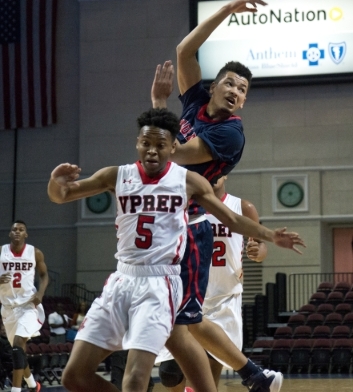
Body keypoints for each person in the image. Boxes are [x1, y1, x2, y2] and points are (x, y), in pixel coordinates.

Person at [47, 108, 304, 392]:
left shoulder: (188, 181)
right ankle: (255, 378)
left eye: (160, 145)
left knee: (136, 379)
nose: (152, 151)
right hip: (121, 280)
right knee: (74, 376)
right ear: (137, 143)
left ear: (172, 147)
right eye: (146, 143)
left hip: (160, 282)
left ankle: (251, 375)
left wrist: (270, 235)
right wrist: (55, 184)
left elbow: (230, 219)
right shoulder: (116, 176)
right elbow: (64, 195)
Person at [150, 0, 292, 392]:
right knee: (173, 346)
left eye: (243, 89)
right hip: (169, 223)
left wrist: (159, 104)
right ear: (214, 87)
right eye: (230, 82)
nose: (235, 90)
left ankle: (253, 374)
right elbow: (185, 50)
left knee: (179, 335)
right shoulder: (195, 102)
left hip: (189, 228)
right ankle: (255, 375)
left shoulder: (230, 132)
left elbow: (174, 151)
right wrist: (227, 11)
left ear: (243, 101)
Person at [158, 176, 268, 391]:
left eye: (216, 170)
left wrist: (258, 252)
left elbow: (261, 247)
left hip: (223, 298)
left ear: (225, 173)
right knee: (170, 376)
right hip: (187, 293)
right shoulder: (183, 205)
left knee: (210, 369)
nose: (211, 175)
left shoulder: (242, 207)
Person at [0, 220, 49, 392]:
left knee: (18, 343)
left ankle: (16, 390)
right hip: (7, 308)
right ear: (10, 233)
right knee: (18, 350)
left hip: (27, 305)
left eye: (21, 230)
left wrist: (40, 293)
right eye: (14, 229)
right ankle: (33, 385)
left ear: (26, 234)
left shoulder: (34, 253)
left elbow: (44, 275)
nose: (17, 232)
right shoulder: (1, 251)